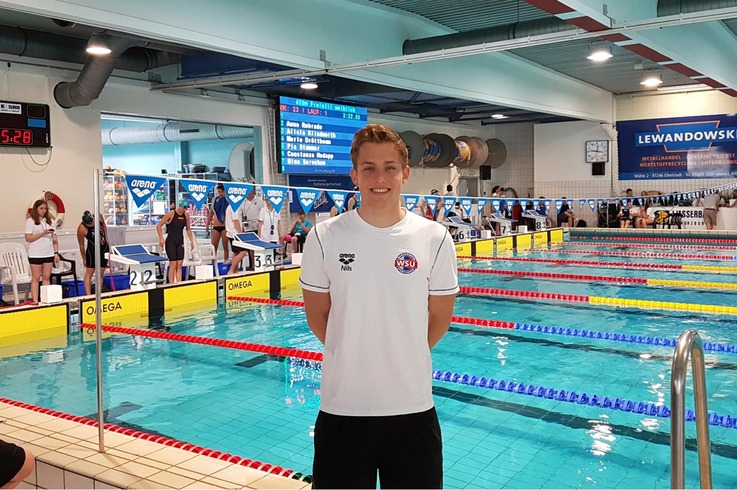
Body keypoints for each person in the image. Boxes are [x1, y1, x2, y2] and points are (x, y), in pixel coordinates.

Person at [299, 123, 458, 489]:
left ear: (405, 173)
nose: (379, 177)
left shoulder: (434, 238)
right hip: (343, 409)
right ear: (355, 175)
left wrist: (400, 352)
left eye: (389, 167)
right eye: (368, 167)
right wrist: (355, 350)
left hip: (412, 408)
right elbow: (317, 316)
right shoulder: (325, 236)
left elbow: (440, 318)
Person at [24, 199, 59, 304]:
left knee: (46, 277)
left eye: (45, 209)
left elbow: (55, 239)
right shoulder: (31, 221)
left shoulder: (50, 221)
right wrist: (43, 233)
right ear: (36, 209)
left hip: (48, 252)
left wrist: (56, 253)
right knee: (36, 277)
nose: (43, 211)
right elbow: (28, 238)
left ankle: (45, 299)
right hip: (36, 253)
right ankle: (35, 301)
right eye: (41, 208)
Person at [157, 205, 195, 283]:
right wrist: (161, 238)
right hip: (171, 242)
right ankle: (171, 284)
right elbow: (159, 226)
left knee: (180, 264)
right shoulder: (171, 213)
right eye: (184, 208)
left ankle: (179, 284)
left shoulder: (186, 215)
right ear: (180, 207)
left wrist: (191, 241)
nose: (185, 210)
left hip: (180, 241)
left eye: (186, 208)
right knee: (173, 265)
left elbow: (188, 229)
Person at [76, 211, 110, 295]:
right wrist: (84, 258)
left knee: (100, 274)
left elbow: (104, 227)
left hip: (104, 248)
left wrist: (106, 239)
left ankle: (98, 294)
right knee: (89, 274)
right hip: (92, 252)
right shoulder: (81, 228)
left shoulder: (99, 216)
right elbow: (81, 245)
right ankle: (89, 296)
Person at [206, 183, 230, 263]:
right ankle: (213, 262)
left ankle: (226, 260)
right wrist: (207, 224)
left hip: (224, 226)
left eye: (221, 192)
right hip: (216, 226)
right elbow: (211, 213)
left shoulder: (227, 200)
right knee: (214, 246)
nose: (220, 194)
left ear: (224, 192)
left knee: (225, 246)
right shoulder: (215, 200)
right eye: (219, 192)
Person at [225, 202, 249, 274]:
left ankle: (235, 270)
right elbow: (236, 221)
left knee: (236, 253)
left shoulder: (232, 206)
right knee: (243, 252)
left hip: (232, 233)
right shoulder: (234, 207)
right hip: (235, 234)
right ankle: (231, 270)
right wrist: (241, 233)